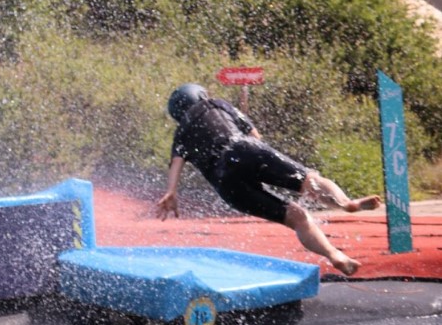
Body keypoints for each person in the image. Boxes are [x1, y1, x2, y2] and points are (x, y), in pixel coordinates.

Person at [156, 83, 381, 276]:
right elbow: (255, 135)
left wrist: (172, 192)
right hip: (242, 149)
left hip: (226, 185)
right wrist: (265, 163)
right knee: (310, 180)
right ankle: (346, 203)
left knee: (297, 218)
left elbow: (175, 164)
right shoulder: (215, 104)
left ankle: (335, 255)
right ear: (200, 95)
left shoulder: (181, 133)